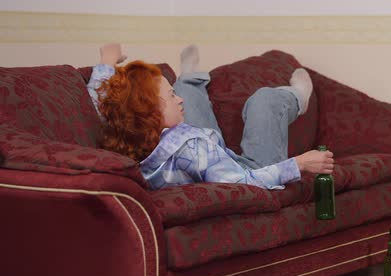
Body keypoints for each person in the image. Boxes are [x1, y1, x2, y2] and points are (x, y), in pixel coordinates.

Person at [87, 43, 334, 190]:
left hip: (206, 152)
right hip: (248, 170)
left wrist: (107, 60)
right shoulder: (192, 151)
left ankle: (188, 79)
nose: (178, 100)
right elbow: (244, 183)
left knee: (184, 87)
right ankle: (298, 97)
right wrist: (300, 164)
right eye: (171, 96)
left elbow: (100, 100)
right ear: (150, 110)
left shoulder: (124, 124)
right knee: (263, 101)